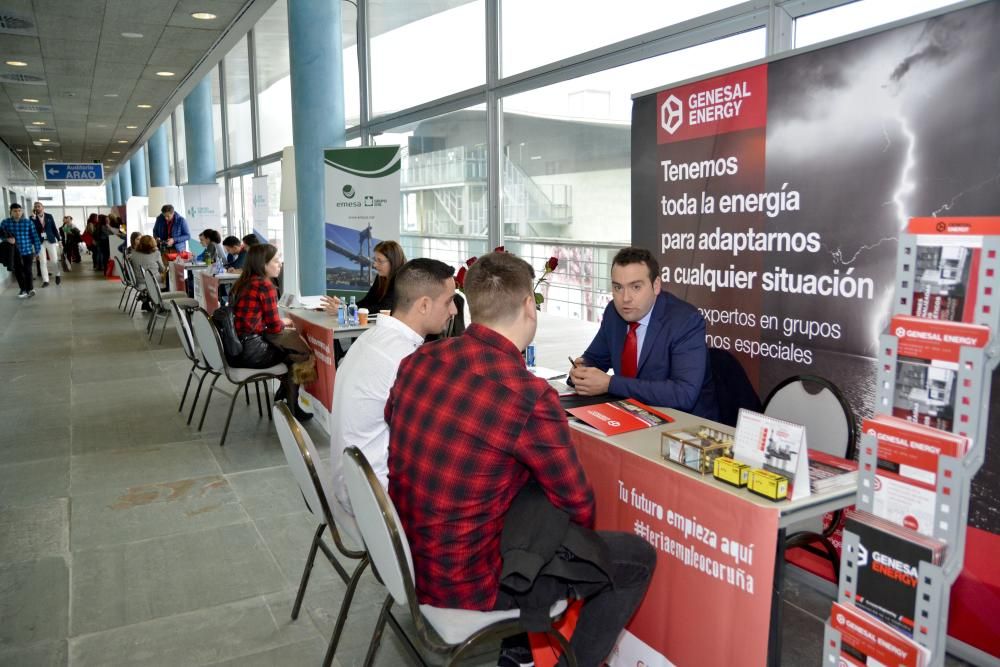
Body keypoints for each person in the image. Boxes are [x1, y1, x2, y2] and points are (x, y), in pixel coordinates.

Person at [385, 251, 655, 667]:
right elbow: (579, 506)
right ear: (530, 305)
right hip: (470, 585)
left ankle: (518, 653)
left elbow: (399, 424)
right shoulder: (525, 395)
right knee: (635, 558)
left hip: (408, 560)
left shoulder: (418, 360)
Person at [328, 258, 457, 515]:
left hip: (353, 483)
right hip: (375, 501)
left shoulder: (372, 339)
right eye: (449, 301)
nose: (453, 310)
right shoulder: (404, 359)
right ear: (423, 305)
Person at [569, 247, 718, 421]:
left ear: (656, 286)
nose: (625, 298)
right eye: (618, 287)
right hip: (630, 416)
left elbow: (683, 394)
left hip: (684, 426)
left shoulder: (685, 321)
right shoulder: (614, 313)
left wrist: (610, 384)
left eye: (636, 287)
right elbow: (595, 359)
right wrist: (581, 373)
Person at [230, 243, 315, 422]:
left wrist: (277, 323)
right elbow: (275, 327)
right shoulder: (264, 286)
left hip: (237, 348)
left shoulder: (243, 282)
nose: (280, 264)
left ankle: (285, 397)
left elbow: (254, 321)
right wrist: (283, 323)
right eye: (276, 261)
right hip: (252, 351)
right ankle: (292, 406)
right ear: (263, 264)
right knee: (300, 353)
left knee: (291, 351)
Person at [321, 239, 405, 313]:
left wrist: (345, 310)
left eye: (380, 261)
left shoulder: (401, 280)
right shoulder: (381, 278)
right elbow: (366, 302)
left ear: (393, 261)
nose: (375, 265)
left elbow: (384, 308)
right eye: (375, 260)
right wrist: (345, 306)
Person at [1, 203, 41, 299]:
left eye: (19, 211)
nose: (17, 213)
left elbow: (35, 236)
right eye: (15, 211)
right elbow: (1, 235)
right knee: (18, 272)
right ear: (10, 212)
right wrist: (7, 239)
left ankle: (30, 289)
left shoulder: (28, 222)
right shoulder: (5, 222)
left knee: (28, 270)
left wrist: (37, 250)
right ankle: (23, 289)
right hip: (14, 252)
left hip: (27, 251)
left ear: (22, 211)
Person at [29, 201, 61, 287]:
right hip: (39, 242)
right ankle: (46, 281)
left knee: (54, 260)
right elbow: (32, 231)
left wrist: (59, 239)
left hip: (50, 240)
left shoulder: (49, 216)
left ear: (43, 207)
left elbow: (54, 228)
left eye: (39, 206)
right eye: (35, 206)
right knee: (42, 261)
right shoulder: (32, 218)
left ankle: (57, 275)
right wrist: (34, 219)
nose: (37, 208)